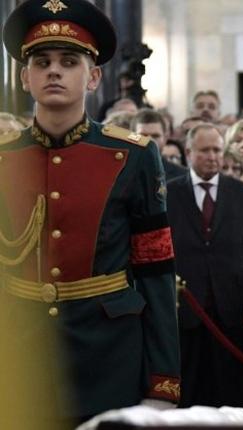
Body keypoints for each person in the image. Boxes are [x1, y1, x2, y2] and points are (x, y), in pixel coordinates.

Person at [0, 0, 180, 421]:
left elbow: (156, 270)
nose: (55, 71)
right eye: (42, 62)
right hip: (19, 353)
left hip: (109, 354)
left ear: (94, 76)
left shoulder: (133, 156)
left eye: (69, 61)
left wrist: (163, 380)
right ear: (26, 78)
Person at [167, 123, 243, 408]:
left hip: (233, 306)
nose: (212, 156)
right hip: (185, 306)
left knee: (231, 385)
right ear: (188, 152)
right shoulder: (170, 193)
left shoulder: (242, 193)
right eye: (205, 150)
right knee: (190, 384)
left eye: (217, 150)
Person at [131, 109, 187, 180]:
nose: (150, 141)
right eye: (143, 135)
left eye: (155, 136)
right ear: (132, 137)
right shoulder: (119, 173)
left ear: (165, 138)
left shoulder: (183, 175)